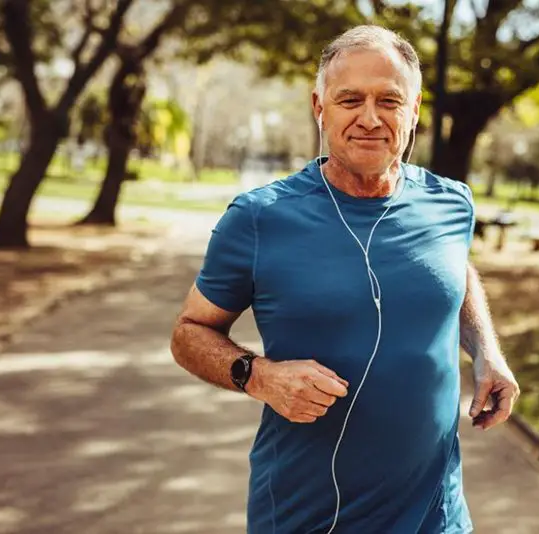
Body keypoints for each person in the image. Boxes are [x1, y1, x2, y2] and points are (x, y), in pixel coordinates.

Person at [170, 25, 520, 534]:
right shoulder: (259, 217)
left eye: (389, 100)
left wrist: (487, 350)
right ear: (320, 107)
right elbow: (188, 333)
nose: (370, 118)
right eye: (350, 99)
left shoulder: (452, 203)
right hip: (308, 515)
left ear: (415, 108)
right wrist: (261, 376)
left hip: (438, 515)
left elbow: (454, 269)